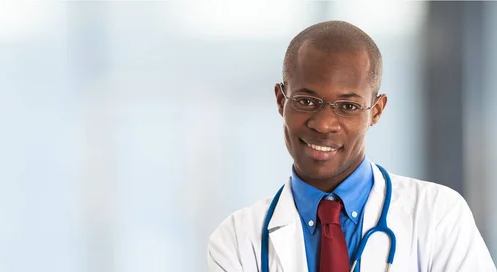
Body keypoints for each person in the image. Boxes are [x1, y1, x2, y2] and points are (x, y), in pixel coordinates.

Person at [206, 21, 496, 272]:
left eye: (348, 106)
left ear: (377, 111)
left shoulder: (438, 216)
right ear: (281, 101)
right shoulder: (237, 239)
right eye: (306, 101)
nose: (324, 124)